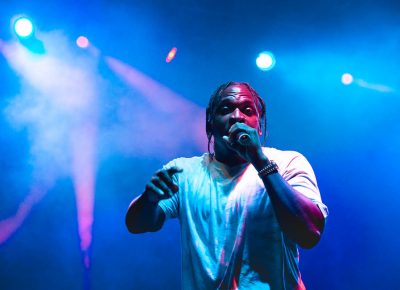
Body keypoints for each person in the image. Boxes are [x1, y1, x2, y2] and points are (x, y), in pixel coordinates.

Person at [125, 81, 328, 290]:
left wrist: (260, 161)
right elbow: (137, 224)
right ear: (210, 122)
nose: (237, 116)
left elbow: (310, 233)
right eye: (225, 109)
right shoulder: (183, 172)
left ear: (259, 125)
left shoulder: (288, 163)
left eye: (247, 110)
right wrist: (148, 200)